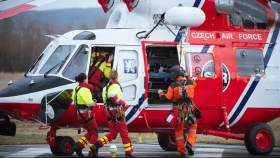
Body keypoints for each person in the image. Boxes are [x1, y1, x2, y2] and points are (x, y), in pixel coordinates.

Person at [90, 70, 134, 158]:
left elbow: (105, 99)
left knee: (113, 133)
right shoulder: (115, 86)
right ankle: (128, 153)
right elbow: (113, 96)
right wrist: (123, 103)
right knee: (123, 133)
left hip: (108, 112)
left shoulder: (106, 87)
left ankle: (96, 145)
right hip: (116, 112)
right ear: (117, 77)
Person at [158, 65, 197, 157]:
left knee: (179, 130)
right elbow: (195, 84)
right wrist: (187, 76)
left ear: (174, 74)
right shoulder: (190, 83)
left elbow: (165, 98)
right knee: (193, 126)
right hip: (189, 109)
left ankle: (182, 151)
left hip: (178, 110)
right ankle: (190, 143)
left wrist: (160, 93)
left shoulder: (173, 86)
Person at [72, 73, 98, 158]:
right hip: (86, 114)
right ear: (84, 80)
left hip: (78, 114)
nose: (88, 80)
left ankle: (78, 146)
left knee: (90, 132)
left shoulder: (76, 89)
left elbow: (74, 100)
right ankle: (92, 153)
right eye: (87, 78)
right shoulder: (85, 90)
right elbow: (90, 103)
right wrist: (94, 104)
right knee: (94, 132)